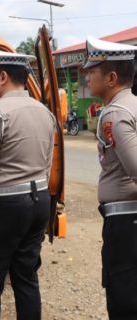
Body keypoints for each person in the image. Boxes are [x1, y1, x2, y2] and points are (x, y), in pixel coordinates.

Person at [0, 46, 56, 320]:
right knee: (26, 277)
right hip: (39, 201)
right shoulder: (45, 112)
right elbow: (48, 163)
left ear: (3, 76)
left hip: (5, 206)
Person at [84, 36, 137, 319]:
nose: (87, 75)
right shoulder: (133, 106)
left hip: (126, 222)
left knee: (124, 300)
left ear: (112, 77)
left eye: (92, 70)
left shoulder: (115, 115)